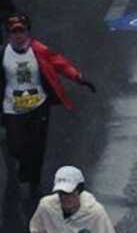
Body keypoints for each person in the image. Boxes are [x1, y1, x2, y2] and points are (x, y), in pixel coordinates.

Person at [1, 14, 95, 199]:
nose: (19, 36)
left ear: (28, 32)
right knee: (16, 146)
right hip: (13, 109)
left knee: (37, 147)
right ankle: (25, 167)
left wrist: (78, 78)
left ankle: (34, 184)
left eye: (22, 31)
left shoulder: (38, 50)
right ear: (8, 35)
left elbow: (59, 62)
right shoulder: (3, 54)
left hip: (38, 107)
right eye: (14, 32)